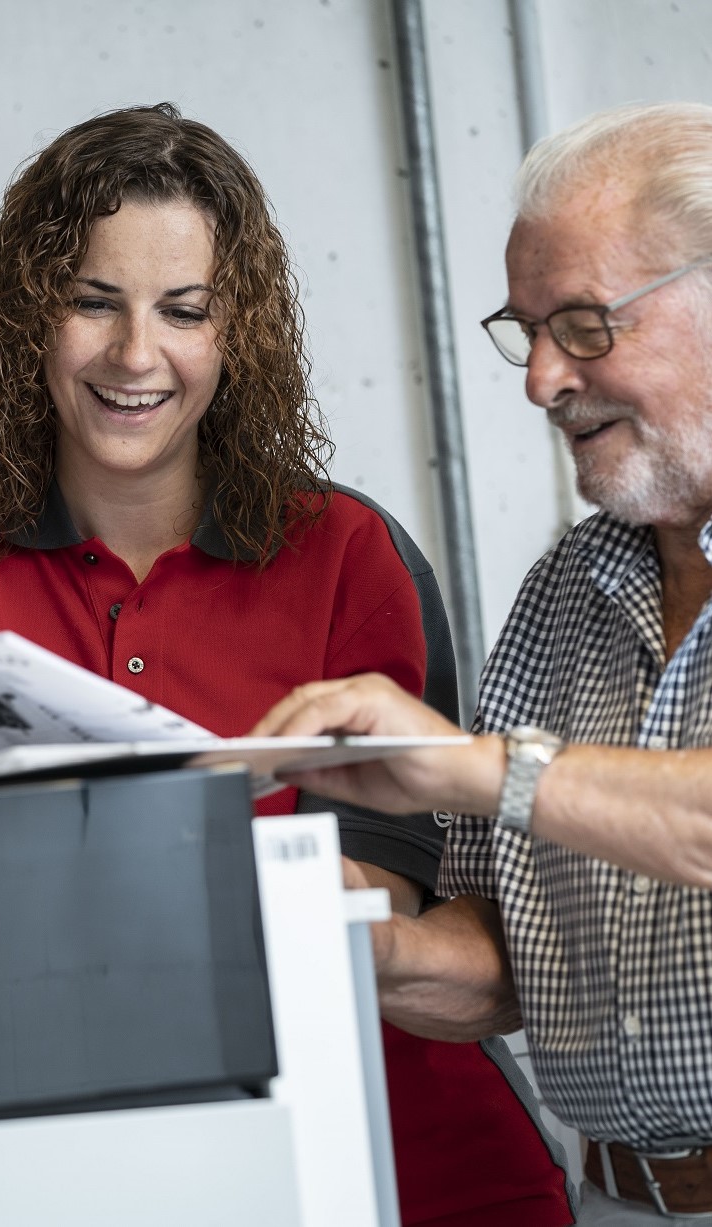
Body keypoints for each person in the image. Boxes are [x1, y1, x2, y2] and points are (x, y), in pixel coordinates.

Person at [0, 104, 575, 1226]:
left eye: (182, 311)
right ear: (27, 314)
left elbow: (390, 897)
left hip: (389, 1153)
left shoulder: (346, 553)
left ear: (235, 334)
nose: (136, 356)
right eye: (94, 301)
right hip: (48, 1161)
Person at [252, 99, 712, 1224]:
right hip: (614, 1199)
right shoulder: (561, 596)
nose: (540, 379)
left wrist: (466, 764)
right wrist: (357, 946)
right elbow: (512, 959)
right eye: (525, 330)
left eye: (585, 324)